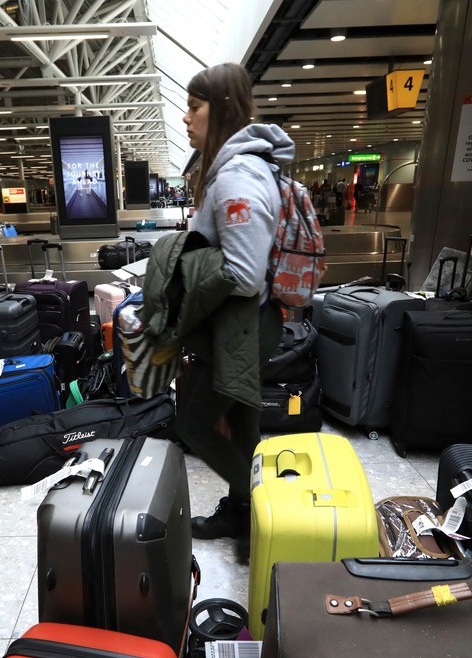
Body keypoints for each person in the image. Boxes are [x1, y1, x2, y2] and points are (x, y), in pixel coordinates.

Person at [178, 62, 289, 559]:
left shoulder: (236, 178)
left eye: (194, 106)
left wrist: (184, 285)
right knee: (243, 425)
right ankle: (245, 514)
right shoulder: (238, 169)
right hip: (245, 325)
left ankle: (267, 515)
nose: (186, 118)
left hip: (240, 327)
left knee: (196, 423)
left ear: (219, 109)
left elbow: (243, 274)